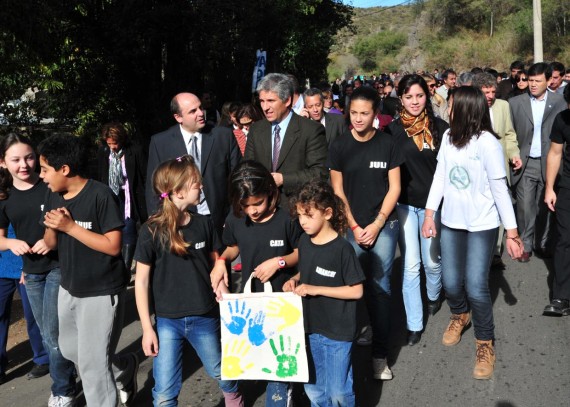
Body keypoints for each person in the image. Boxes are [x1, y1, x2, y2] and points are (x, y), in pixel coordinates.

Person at [421, 86, 523, 380]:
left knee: (476, 284)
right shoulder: (449, 139)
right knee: (452, 282)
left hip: (482, 223)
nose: (447, 109)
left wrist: (513, 234)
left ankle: (484, 343)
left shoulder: (488, 144)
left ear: (466, 109)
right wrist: (430, 214)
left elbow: (500, 190)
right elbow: (440, 177)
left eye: (451, 105)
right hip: (452, 222)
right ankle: (459, 314)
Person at [134, 155, 243, 406]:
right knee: (163, 392)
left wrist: (221, 282)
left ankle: (234, 398)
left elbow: (217, 261)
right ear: (179, 191)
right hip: (166, 322)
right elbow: (140, 282)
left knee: (223, 374)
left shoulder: (204, 223)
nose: (201, 187)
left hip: (204, 316)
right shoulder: (151, 231)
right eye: (196, 183)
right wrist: (147, 329)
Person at [38, 135, 139, 406]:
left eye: (45, 169)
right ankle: (124, 368)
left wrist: (71, 227)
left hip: (101, 289)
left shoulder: (100, 195)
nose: (41, 176)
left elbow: (113, 247)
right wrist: (52, 226)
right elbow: (50, 244)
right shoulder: (52, 194)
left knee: (93, 368)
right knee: (72, 350)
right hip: (69, 286)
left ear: (65, 169)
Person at [210, 160, 301, 406]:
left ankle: (283, 394)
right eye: (246, 205)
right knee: (261, 357)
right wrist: (221, 261)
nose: (252, 211)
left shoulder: (286, 218)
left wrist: (279, 263)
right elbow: (233, 246)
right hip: (254, 303)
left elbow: (300, 252)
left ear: (271, 193)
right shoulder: (237, 218)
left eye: (258, 203)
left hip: (285, 302)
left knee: (278, 369)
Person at [328, 86, 402, 380]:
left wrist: (378, 223)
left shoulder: (388, 144)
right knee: (349, 290)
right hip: (351, 226)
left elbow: (394, 187)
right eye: (354, 113)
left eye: (365, 113)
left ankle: (380, 356)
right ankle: (343, 353)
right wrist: (357, 227)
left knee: (381, 290)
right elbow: (337, 191)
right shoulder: (339, 146)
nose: (358, 119)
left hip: (384, 226)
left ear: (376, 115)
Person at [0, 133, 76, 405]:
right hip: (31, 273)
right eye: (16, 159)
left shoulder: (49, 185)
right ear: (3, 163)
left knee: (53, 335)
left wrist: (50, 238)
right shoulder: (4, 197)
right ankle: (108, 368)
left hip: (59, 266)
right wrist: (11, 242)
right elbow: (0, 239)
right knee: (48, 335)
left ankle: (63, 390)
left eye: (29, 157)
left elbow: (70, 221)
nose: (24, 164)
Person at [283, 180, 364, 406]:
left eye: (309, 216)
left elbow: (357, 291)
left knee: (339, 391)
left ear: (327, 213)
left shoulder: (342, 249)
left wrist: (315, 289)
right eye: (300, 216)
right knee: (315, 390)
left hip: (338, 331)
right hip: (310, 328)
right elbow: (306, 271)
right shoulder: (304, 242)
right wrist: (294, 279)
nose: (303, 222)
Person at [386, 74, 448, 346]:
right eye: (408, 97)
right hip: (404, 207)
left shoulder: (442, 128)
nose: (414, 101)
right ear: (400, 98)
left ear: (428, 96)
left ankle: (434, 295)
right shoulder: (391, 131)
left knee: (432, 262)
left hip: (433, 207)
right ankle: (414, 323)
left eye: (419, 96)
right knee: (411, 266)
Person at [146, 92, 241, 236]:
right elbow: (154, 187)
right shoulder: (160, 143)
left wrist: (233, 215)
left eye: (200, 108)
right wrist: (159, 221)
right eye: (193, 111)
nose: (201, 113)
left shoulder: (223, 136)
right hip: (179, 222)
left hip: (220, 221)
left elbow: (238, 177)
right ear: (178, 117)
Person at [509, 62, 567, 261]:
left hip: (551, 162)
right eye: (530, 80)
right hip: (526, 163)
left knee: (547, 206)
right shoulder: (516, 103)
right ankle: (525, 244)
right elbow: (510, 134)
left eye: (537, 81)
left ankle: (544, 242)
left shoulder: (560, 102)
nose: (532, 84)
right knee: (525, 206)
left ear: (549, 80)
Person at [244, 73, 328, 201]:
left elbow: (319, 173)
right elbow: (247, 167)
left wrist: (283, 179)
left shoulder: (311, 130)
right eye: (262, 101)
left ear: (287, 100)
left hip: (297, 207)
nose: (265, 107)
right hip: (263, 208)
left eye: (271, 101)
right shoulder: (256, 130)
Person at [0, 225, 49, 385]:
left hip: (27, 264)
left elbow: (33, 228)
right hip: (2, 267)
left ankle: (44, 358)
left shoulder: (19, 199)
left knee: (34, 313)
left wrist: (28, 265)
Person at [97, 122, 148, 272]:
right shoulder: (104, 152)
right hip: (111, 195)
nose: (113, 147)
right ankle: (114, 263)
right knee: (112, 227)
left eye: (115, 143)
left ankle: (125, 267)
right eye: (109, 143)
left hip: (130, 196)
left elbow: (144, 175)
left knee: (129, 228)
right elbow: (102, 175)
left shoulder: (135, 151)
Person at [543, 85, 570, 316]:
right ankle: (561, 296)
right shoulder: (562, 119)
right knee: (564, 240)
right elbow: (555, 153)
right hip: (568, 187)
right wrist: (550, 188)